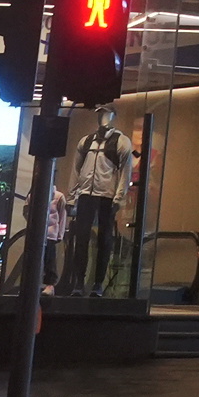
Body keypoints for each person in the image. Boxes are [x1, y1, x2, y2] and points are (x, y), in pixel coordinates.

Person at [62, 118, 137, 297]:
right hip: (86, 194)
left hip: (106, 196)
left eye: (106, 112)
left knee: (105, 240)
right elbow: (76, 169)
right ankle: (79, 282)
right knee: (81, 240)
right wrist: (72, 197)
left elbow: (125, 172)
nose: (102, 117)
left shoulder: (121, 141)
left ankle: (97, 284)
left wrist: (118, 198)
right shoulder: (86, 141)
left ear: (113, 115)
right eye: (99, 112)